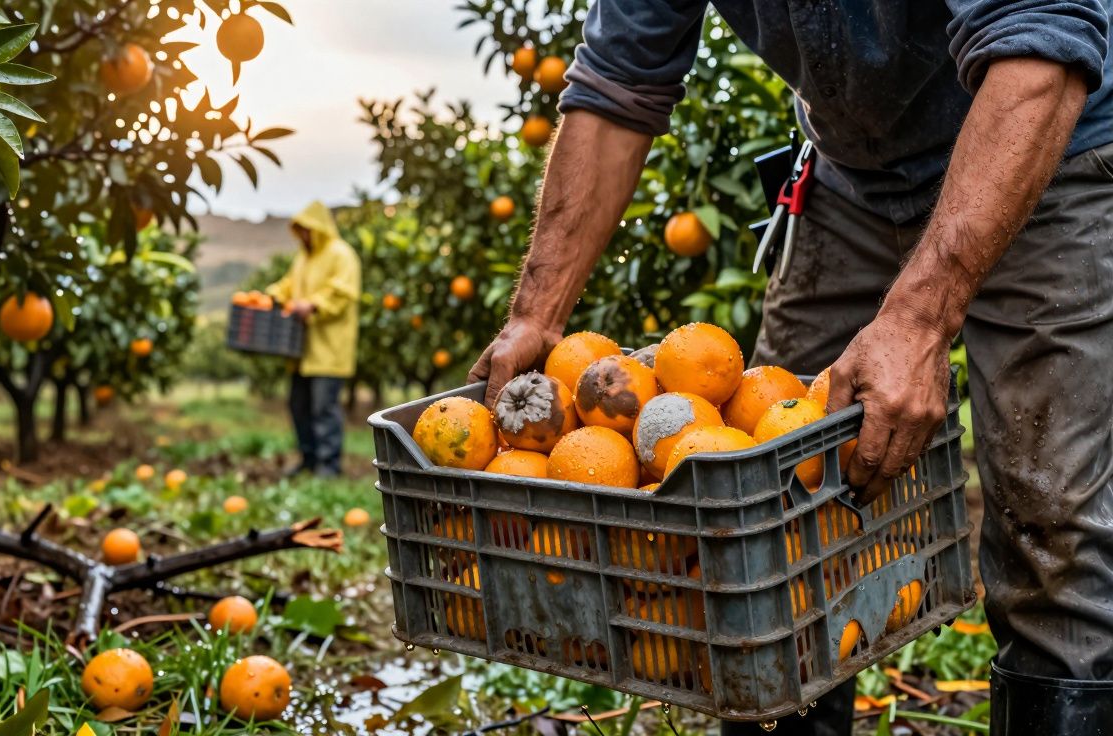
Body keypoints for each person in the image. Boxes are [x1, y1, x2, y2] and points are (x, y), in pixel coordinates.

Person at [469, 3, 1113, 734]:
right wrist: (536, 313)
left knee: (1052, 529)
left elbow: (1041, 38)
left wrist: (919, 319)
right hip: (851, 182)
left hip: (1045, 148)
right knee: (772, 505)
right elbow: (620, 81)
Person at [266, 201, 360, 478]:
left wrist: (314, 305)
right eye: (300, 231)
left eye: (308, 230)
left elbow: (343, 293)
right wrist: (271, 294)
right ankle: (308, 459)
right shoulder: (302, 259)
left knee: (324, 409)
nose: (304, 236)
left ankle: (329, 465)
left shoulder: (341, 254)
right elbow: (288, 286)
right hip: (301, 350)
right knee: (299, 406)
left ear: (319, 229)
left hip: (329, 350)